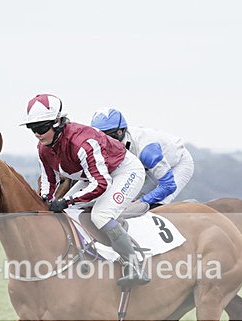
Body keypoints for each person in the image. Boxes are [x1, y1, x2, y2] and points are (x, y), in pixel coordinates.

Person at [20, 93, 149, 286]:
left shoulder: (82, 143)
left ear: (58, 122)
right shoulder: (43, 147)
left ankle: (135, 266)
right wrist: (45, 200)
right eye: (33, 129)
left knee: (101, 215)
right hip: (96, 175)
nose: (38, 134)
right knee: (65, 212)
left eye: (41, 128)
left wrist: (67, 200)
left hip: (124, 171)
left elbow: (101, 183)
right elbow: (49, 178)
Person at [90, 107, 194, 207]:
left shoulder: (147, 151)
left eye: (108, 137)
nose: (105, 144)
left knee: (152, 205)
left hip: (178, 164)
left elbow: (168, 186)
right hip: (145, 168)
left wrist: (142, 201)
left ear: (120, 132)